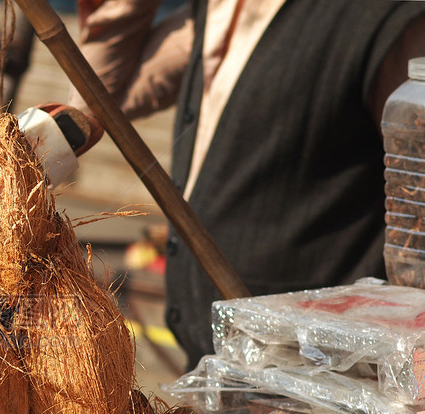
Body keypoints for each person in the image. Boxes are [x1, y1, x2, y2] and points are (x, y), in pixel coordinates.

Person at [70, 0, 425, 372]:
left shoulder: (386, 18)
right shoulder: (222, 8)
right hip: (216, 372)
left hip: (315, 384)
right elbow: (102, 94)